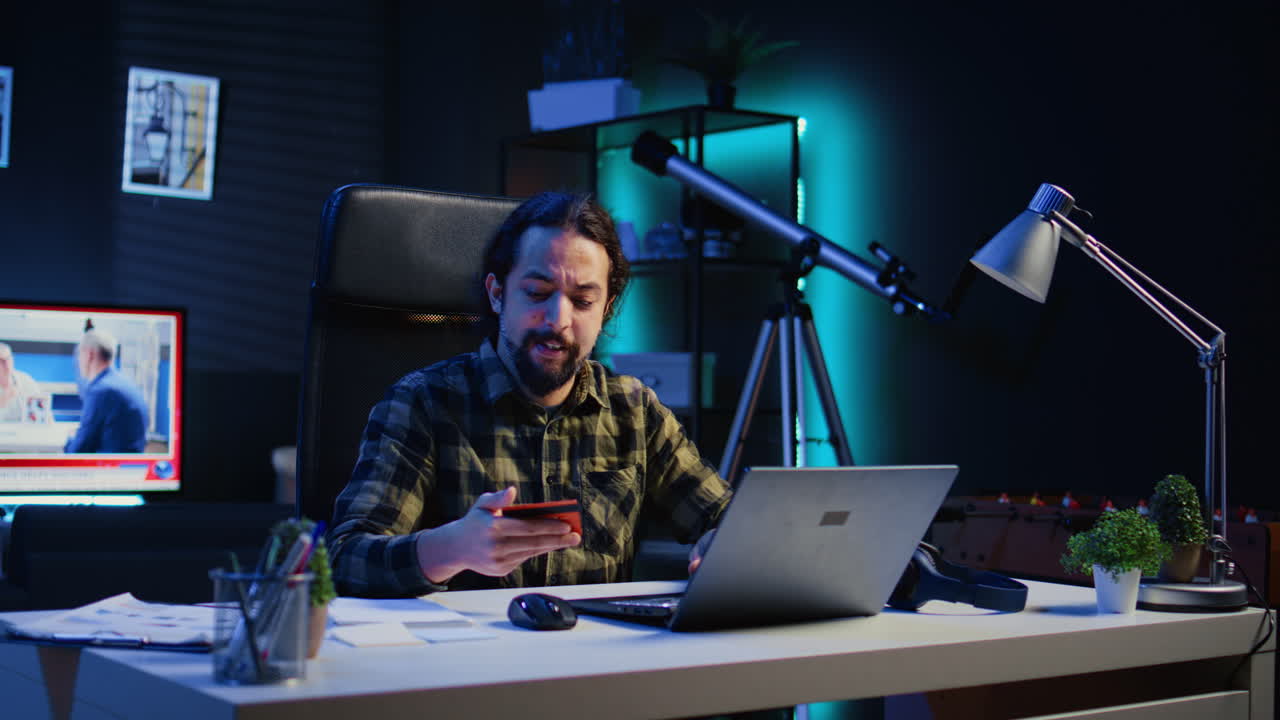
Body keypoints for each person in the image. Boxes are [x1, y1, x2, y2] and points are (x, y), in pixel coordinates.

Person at [329, 192, 732, 597]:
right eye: (538, 293)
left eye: (583, 301)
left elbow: (729, 520)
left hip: (595, 655)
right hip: (465, 655)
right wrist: (451, 548)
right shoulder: (423, 402)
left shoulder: (634, 410)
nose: (558, 319)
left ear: (605, 309)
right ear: (497, 293)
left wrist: (722, 543)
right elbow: (346, 559)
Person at [64, 329, 148, 453]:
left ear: (89, 355)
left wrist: (70, 440)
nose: (78, 361)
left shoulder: (101, 391)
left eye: (79, 355)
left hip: (109, 468)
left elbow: (79, 449)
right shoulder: (125, 384)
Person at [0, 341, 49, 423]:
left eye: (8, 358)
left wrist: (45, 417)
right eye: (1, 360)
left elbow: (42, 411)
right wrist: (4, 399)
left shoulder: (25, 380)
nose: (6, 364)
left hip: (22, 432)